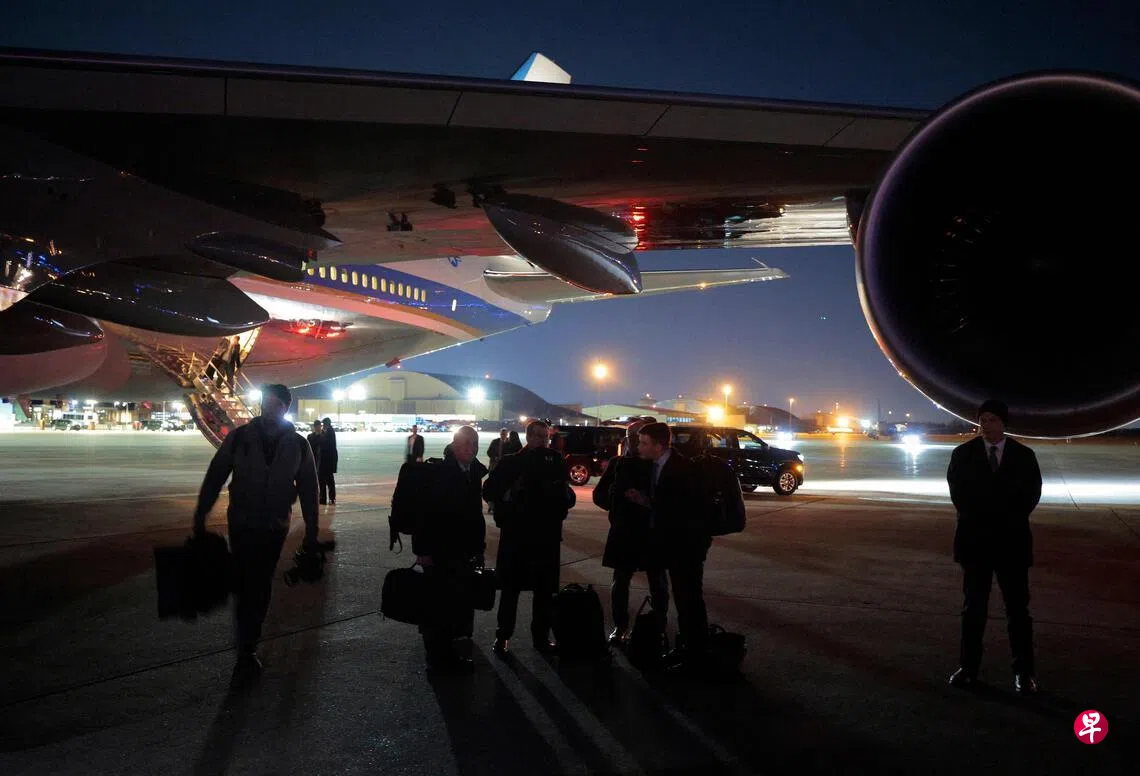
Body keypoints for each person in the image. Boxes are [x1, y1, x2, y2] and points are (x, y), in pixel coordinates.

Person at [191, 383, 319, 686]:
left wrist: (311, 532)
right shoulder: (239, 438)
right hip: (242, 523)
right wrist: (201, 512)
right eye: (267, 403)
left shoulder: (298, 444)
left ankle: (247, 646)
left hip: (274, 527)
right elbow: (216, 474)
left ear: (285, 408)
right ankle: (246, 647)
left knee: (259, 585)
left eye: (277, 405)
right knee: (246, 584)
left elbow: (309, 490)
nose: (270, 409)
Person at [946, 399, 1042, 694]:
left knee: (1018, 611)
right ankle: (968, 668)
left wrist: (1001, 516)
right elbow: (958, 495)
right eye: (982, 420)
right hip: (976, 545)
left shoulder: (1024, 456)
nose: (986, 425)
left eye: (992, 420)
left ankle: (1024, 673)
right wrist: (989, 515)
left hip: (1011, 545)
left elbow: (1031, 495)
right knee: (973, 609)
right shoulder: (963, 454)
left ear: (1004, 424)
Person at [483, 420, 572, 656]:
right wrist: (512, 491)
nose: (544, 441)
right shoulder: (511, 462)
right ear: (528, 437)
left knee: (544, 591)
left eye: (546, 437)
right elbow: (489, 490)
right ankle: (503, 636)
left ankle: (540, 637)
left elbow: (566, 493)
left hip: (546, 536)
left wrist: (560, 496)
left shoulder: (555, 461)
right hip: (517, 535)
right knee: (510, 590)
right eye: (539, 436)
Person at [630, 422, 707, 669]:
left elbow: (682, 509)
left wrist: (646, 502)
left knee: (689, 599)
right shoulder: (656, 465)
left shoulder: (682, 468)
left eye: (644, 443)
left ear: (659, 445)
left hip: (685, 546)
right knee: (683, 598)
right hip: (670, 545)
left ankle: (695, 654)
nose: (639, 447)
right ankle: (688, 649)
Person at [412, 425, 488, 671]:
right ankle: (438, 660)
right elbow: (424, 515)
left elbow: (475, 515)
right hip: (440, 550)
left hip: (462, 550)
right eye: (466, 443)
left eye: (474, 444)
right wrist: (423, 551)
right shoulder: (441, 473)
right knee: (440, 605)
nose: (471, 448)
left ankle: (447, 653)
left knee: (454, 602)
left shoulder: (472, 472)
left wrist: (479, 547)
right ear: (454, 445)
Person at [593, 418, 668, 645]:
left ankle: (658, 626)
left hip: (651, 531)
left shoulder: (658, 465)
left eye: (639, 439)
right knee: (621, 580)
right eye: (631, 438)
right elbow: (599, 495)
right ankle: (620, 626)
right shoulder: (618, 464)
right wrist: (616, 505)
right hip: (624, 529)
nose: (634, 443)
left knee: (657, 581)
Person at [318, 417, 338, 505]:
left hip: (328, 460)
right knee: (326, 479)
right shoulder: (327, 431)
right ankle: (327, 498)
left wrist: (320, 435)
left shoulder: (330, 432)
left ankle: (329, 498)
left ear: (326, 424)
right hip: (326, 460)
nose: (323, 426)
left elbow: (325, 444)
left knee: (328, 479)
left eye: (323, 424)